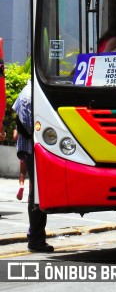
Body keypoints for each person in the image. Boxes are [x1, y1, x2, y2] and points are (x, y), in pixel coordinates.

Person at [14, 79, 54, 253]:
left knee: (37, 193)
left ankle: (36, 237)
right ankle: (36, 239)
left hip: (30, 148)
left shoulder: (29, 92)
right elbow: (31, 127)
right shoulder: (29, 96)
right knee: (37, 194)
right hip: (32, 148)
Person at [12, 128, 27, 200]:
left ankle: (21, 185)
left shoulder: (19, 126)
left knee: (22, 172)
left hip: (23, 151)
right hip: (33, 152)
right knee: (32, 175)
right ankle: (31, 195)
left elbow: (15, 137)